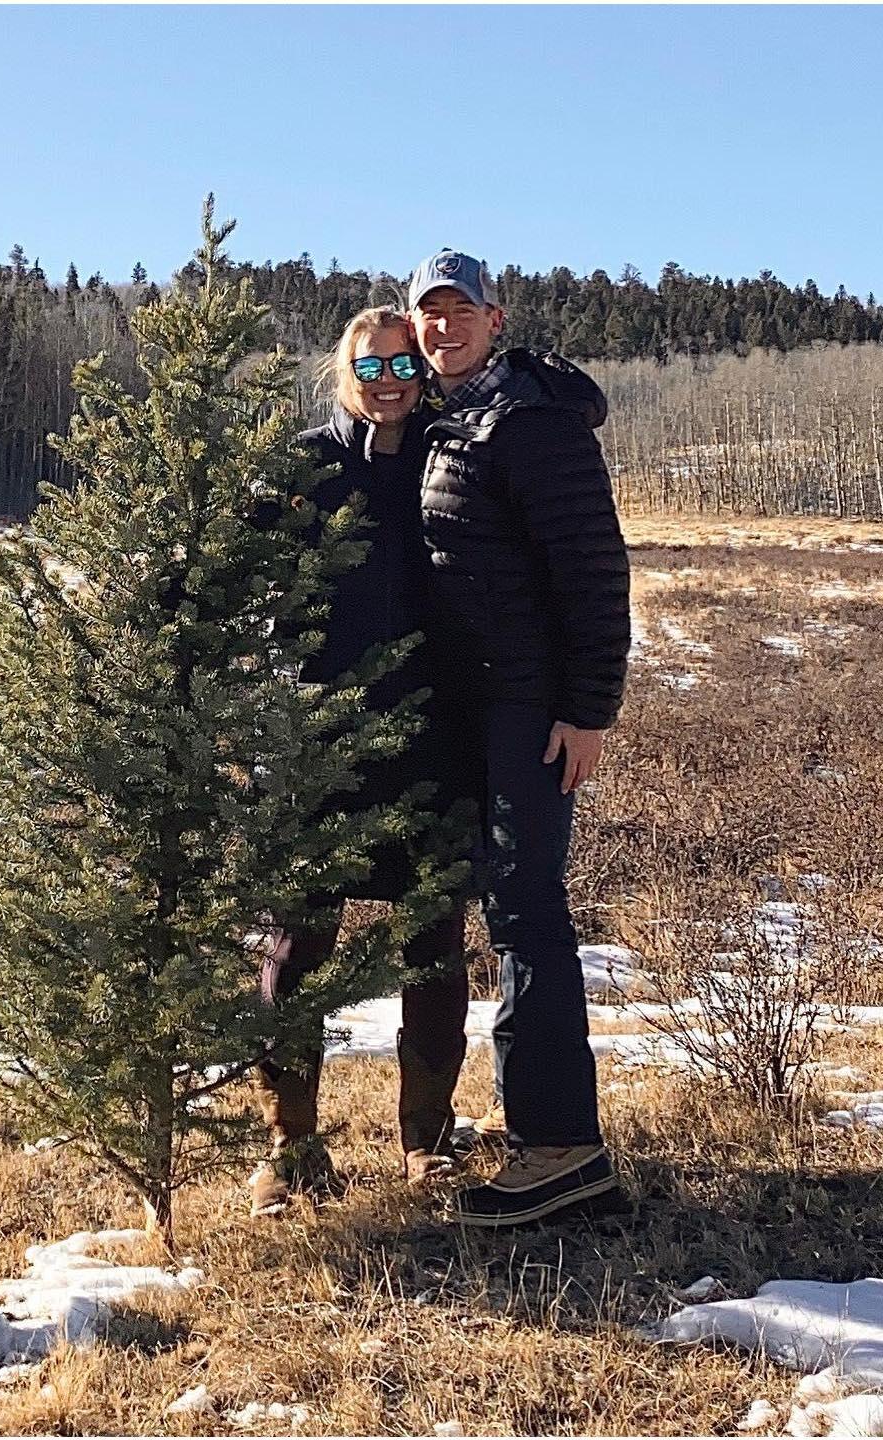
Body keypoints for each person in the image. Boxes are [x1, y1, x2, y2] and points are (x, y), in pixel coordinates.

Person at [405, 248, 631, 1227]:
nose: (444, 326)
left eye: (462, 311)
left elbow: (592, 569)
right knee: (512, 906)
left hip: (531, 711)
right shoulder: (459, 420)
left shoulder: (529, 423)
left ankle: (563, 1149)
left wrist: (587, 710)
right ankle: (542, 1126)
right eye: (429, 313)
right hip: (487, 706)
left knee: (526, 910)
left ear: (497, 322)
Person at [249, 305, 481, 1218]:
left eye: (401, 366)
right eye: (369, 367)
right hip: (318, 744)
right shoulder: (306, 464)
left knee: (434, 947)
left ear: (423, 371)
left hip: (433, 738)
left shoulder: (450, 455)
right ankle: (290, 1145)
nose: (387, 382)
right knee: (295, 946)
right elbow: (228, 563)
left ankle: (428, 1142)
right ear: (344, 372)